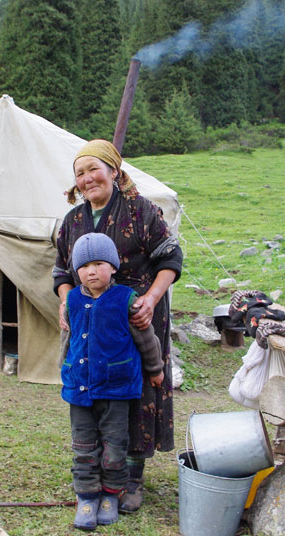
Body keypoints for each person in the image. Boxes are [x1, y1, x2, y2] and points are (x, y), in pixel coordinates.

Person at [53, 139, 183, 513]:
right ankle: (93, 473)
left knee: (138, 391)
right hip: (92, 321)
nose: (87, 178)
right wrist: (66, 299)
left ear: (113, 171)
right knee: (93, 390)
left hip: (138, 313)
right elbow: (61, 270)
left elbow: (170, 259)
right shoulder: (72, 221)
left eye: (94, 169)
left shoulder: (142, 210)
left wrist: (151, 299)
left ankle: (131, 477)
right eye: (80, 173)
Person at [60, 232, 165, 530]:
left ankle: (110, 494)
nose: (91, 271)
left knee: (115, 445)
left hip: (116, 388)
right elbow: (67, 338)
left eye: (98, 264)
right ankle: (87, 496)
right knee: (83, 445)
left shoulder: (126, 300)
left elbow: (147, 338)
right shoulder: (72, 299)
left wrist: (155, 369)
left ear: (114, 267)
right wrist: (63, 367)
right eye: (84, 266)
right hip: (79, 388)